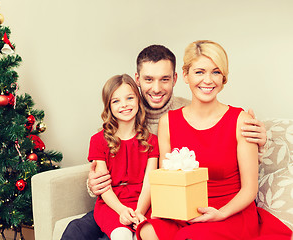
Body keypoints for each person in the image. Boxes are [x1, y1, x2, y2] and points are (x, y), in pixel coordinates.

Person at [61, 45, 268, 240]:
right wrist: (93, 184)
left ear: (177, 78)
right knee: (76, 231)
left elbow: (220, 147)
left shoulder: (189, 110)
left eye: (165, 79)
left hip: (151, 201)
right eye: (149, 79)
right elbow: (105, 160)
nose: (157, 88)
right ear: (138, 79)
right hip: (120, 203)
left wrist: (261, 141)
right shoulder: (124, 110)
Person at [136, 40, 292, 240]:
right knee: (148, 231)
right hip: (184, 212)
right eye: (199, 72)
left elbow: (249, 189)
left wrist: (221, 213)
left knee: (190, 237)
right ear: (185, 75)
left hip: (230, 212)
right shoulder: (168, 122)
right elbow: (168, 180)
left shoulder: (240, 120)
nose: (208, 80)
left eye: (216, 72)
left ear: (223, 77)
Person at [87, 74, 159, 240]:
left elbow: (149, 184)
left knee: (145, 234)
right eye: (116, 101)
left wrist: (139, 212)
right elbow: (103, 186)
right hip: (112, 205)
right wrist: (121, 210)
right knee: (123, 235)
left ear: (138, 101)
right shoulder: (98, 141)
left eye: (129, 98)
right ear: (109, 107)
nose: (124, 105)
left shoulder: (151, 141)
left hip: (144, 202)